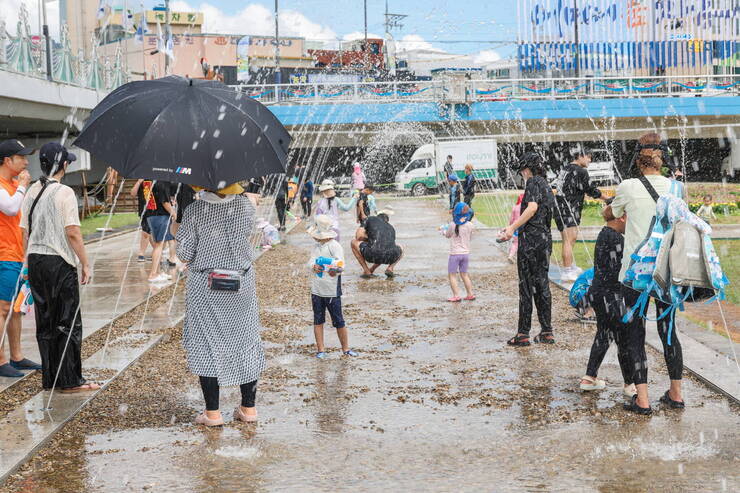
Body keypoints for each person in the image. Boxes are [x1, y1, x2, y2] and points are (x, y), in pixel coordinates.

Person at [610, 132, 687, 415]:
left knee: (634, 334)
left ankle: (642, 400)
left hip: (635, 273)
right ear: (662, 159)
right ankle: (676, 394)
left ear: (638, 160)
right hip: (666, 270)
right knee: (669, 332)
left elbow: (611, 215)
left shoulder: (627, 186)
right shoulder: (676, 188)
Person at [176, 182, 265, 426]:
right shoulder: (245, 206)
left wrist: (179, 228)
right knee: (246, 340)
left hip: (206, 285)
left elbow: (184, 254)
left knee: (206, 343)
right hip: (241, 283)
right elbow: (254, 239)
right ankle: (248, 408)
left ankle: (213, 413)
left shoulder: (195, 210)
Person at [20, 142, 98, 392]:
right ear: (63, 164)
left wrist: (27, 259)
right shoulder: (64, 193)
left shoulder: (32, 190)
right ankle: (70, 380)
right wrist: (85, 263)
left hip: (36, 260)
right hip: (58, 261)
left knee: (45, 321)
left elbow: (24, 231)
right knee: (67, 320)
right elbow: (73, 232)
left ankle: (51, 378)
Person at [579, 201, 635, 397]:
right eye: (630, 217)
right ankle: (630, 384)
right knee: (624, 338)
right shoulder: (617, 239)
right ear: (621, 217)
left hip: (599, 292)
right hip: (612, 294)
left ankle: (589, 377)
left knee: (604, 334)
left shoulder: (605, 234)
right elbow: (624, 268)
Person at [499, 152, 555, 346]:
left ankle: (523, 333)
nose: (522, 174)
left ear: (527, 169)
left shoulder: (532, 183)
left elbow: (531, 208)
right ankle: (547, 331)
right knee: (542, 286)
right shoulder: (547, 185)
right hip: (544, 240)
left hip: (530, 241)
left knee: (526, 287)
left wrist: (512, 228)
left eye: (522, 170)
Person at [0, 139, 41, 377]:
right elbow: (11, 208)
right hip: (3, 255)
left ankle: (16, 357)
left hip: (15, 254)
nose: (26, 162)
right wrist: (24, 186)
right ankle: (1, 359)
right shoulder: (3, 186)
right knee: (3, 308)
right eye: (21, 157)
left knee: (16, 309)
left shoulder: (13, 183)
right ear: (7, 160)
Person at [307, 214, 358, 359]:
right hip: (316, 290)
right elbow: (310, 261)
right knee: (318, 320)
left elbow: (341, 265)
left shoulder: (335, 246)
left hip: (331, 291)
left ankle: (346, 348)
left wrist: (334, 270)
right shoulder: (316, 246)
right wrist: (314, 266)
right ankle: (321, 350)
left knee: (339, 320)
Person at [553, 146, 602, 281]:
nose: (590, 160)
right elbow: (591, 190)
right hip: (569, 208)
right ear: (580, 156)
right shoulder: (580, 171)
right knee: (570, 239)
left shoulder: (566, 168)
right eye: (588, 157)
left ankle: (570, 265)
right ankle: (567, 271)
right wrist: (607, 199)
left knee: (567, 239)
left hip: (560, 207)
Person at [351, 209, 403, 279]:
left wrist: (370, 238)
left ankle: (367, 271)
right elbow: (386, 245)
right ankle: (390, 268)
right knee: (400, 247)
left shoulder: (369, 219)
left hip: (372, 254)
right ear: (387, 221)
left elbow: (358, 236)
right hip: (390, 257)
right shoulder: (391, 228)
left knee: (353, 242)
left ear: (377, 216)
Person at [444, 202, 475, 302]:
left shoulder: (452, 224)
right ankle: (470, 294)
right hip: (465, 254)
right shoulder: (470, 225)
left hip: (454, 254)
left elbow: (447, 235)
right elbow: (470, 237)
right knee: (464, 274)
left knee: (452, 275)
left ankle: (456, 295)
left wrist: (443, 231)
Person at [145, 180, 175, 283]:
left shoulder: (148, 180)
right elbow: (165, 202)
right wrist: (174, 213)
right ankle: (153, 274)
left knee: (158, 246)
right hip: (161, 216)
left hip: (151, 215)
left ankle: (157, 273)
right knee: (159, 245)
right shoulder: (163, 181)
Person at [131, 179, 154, 263]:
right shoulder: (141, 180)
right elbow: (133, 194)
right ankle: (144, 253)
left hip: (155, 210)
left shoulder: (156, 178)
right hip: (144, 210)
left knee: (148, 231)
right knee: (147, 231)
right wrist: (139, 182)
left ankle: (144, 253)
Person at [506, 193, 523, 264]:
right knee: (524, 242)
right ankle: (522, 258)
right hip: (523, 226)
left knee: (515, 242)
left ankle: (511, 255)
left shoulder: (515, 207)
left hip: (515, 227)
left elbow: (511, 219)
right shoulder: (526, 207)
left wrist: (510, 227)